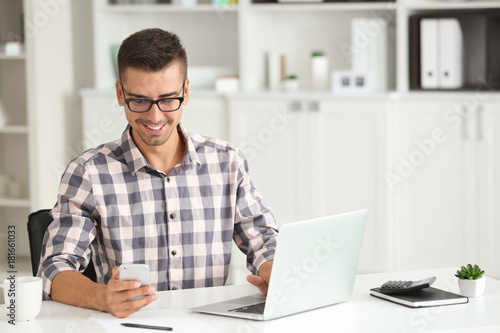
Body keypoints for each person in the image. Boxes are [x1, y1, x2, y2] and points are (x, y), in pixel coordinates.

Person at [37, 28, 278, 318]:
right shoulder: (88, 172)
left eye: (167, 99)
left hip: (209, 325)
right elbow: (54, 268)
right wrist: (103, 297)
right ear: (119, 94)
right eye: (139, 100)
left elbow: (263, 240)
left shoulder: (227, 162)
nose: (154, 116)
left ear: (185, 92)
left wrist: (273, 269)